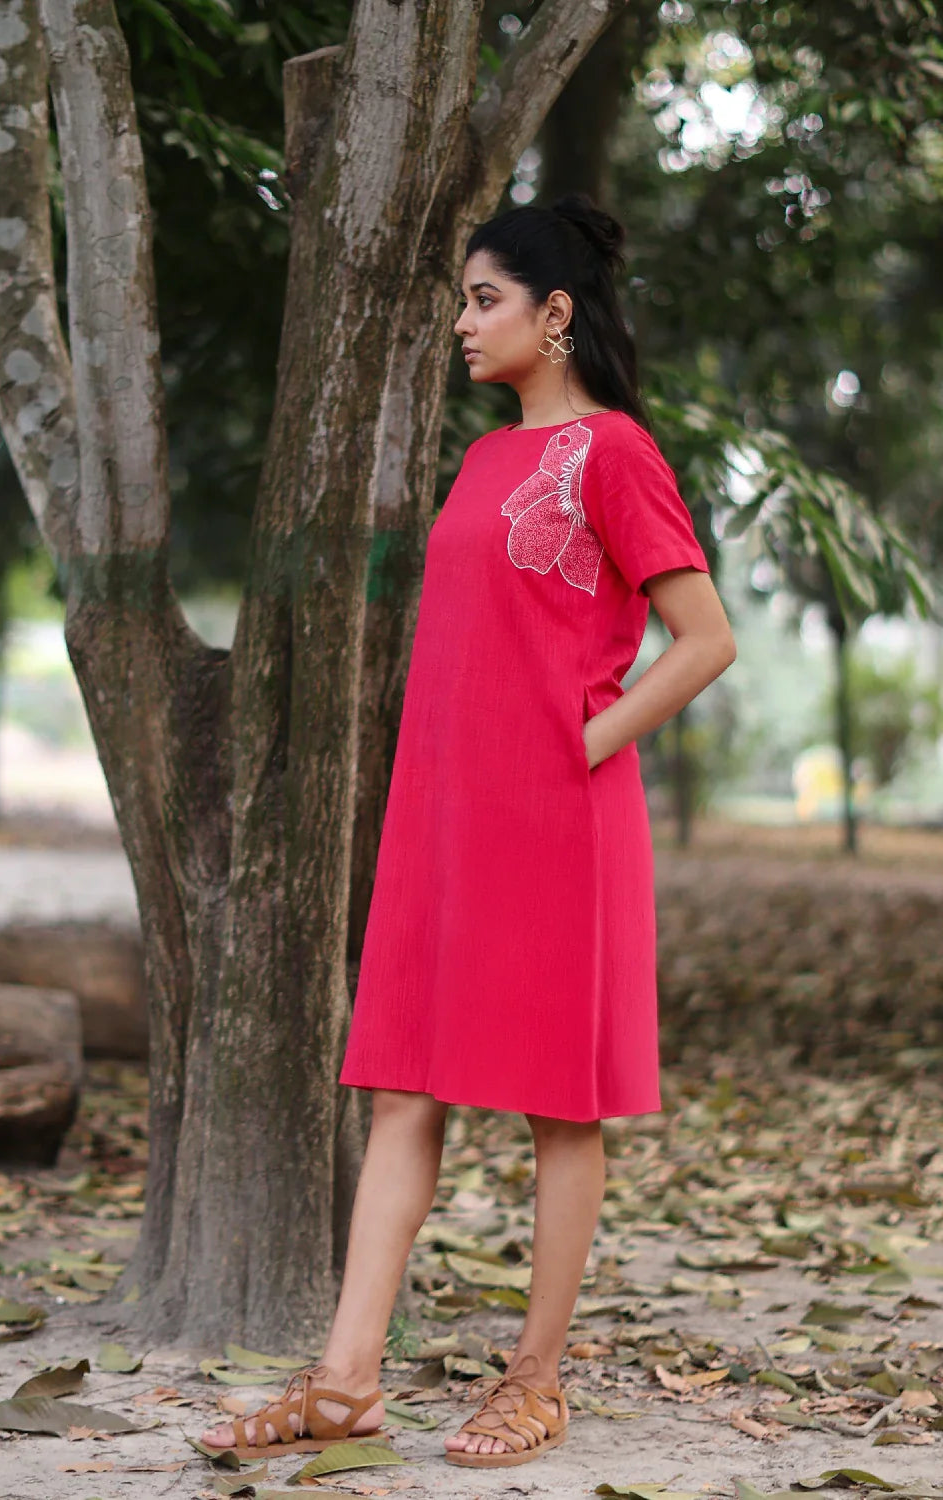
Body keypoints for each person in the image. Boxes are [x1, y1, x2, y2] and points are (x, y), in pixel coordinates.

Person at [201, 193, 737, 1470]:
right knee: (403, 1093)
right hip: (444, 826)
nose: (461, 322)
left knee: (559, 1108)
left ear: (555, 316)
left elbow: (704, 638)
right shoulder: (487, 457)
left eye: (482, 298)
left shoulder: (612, 451)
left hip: (557, 820)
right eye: (461, 298)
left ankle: (536, 1383)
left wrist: (583, 744)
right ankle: (342, 1386)